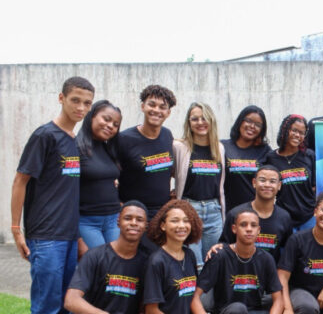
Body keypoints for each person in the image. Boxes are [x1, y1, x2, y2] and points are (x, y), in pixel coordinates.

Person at [11, 76, 94, 314]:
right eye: (75, 100)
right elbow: (20, 181)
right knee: (45, 305)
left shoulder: (74, 140)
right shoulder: (44, 136)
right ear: (61, 98)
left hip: (68, 236)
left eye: (87, 103)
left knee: (63, 305)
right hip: (46, 237)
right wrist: (16, 229)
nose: (81, 108)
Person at [143, 200, 239, 314]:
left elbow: (191, 294)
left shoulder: (189, 255)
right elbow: (151, 311)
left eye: (186, 221)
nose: (181, 226)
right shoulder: (156, 261)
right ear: (163, 226)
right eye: (175, 221)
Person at [198, 210, 306, 314]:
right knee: (238, 310)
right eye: (243, 225)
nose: (249, 229)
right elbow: (195, 296)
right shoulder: (220, 256)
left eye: (253, 225)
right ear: (234, 229)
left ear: (258, 230)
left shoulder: (266, 258)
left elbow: (278, 299)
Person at [173, 102, 226, 269]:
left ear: (211, 121)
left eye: (204, 118)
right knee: (195, 263)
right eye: (194, 119)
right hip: (189, 209)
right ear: (188, 123)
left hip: (214, 211)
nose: (200, 122)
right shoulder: (179, 147)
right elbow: (168, 172)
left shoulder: (219, 148)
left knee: (214, 261)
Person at [117, 84, 176, 218]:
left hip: (162, 213)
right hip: (134, 215)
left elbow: (170, 170)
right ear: (143, 106)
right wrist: (118, 205)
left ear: (168, 113)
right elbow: (110, 177)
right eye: (152, 104)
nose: (156, 110)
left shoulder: (167, 135)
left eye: (162, 107)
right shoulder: (124, 139)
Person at [219, 165, 293, 264]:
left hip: (270, 271)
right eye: (262, 180)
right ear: (254, 183)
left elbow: (287, 254)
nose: (267, 185)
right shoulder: (236, 214)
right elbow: (224, 246)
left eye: (272, 181)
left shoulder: (284, 217)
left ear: (279, 185)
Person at [77, 100, 123, 249]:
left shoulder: (108, 149)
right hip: (87, 221)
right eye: (106, 119)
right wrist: (77, 237)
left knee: (115, 262)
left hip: (113, 220)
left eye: (115, 124)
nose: (110, 126)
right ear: (91, 116)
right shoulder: (75, 148)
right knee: (99, 261)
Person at [262, 115, 316, 229]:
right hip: (284, 218)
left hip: (309, 218)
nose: (298, 135)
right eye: (294, 130)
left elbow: (314, 187)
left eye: (302, 133)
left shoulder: (309, 155)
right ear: (285, 130)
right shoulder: (271, 158)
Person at [223, 105, 272, 212]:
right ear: (240, 121)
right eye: (248, 121)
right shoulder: (223, 147)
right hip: (228, 211)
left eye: (258, 125)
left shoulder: (265, 150)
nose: (252, 126)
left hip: (256, 211)